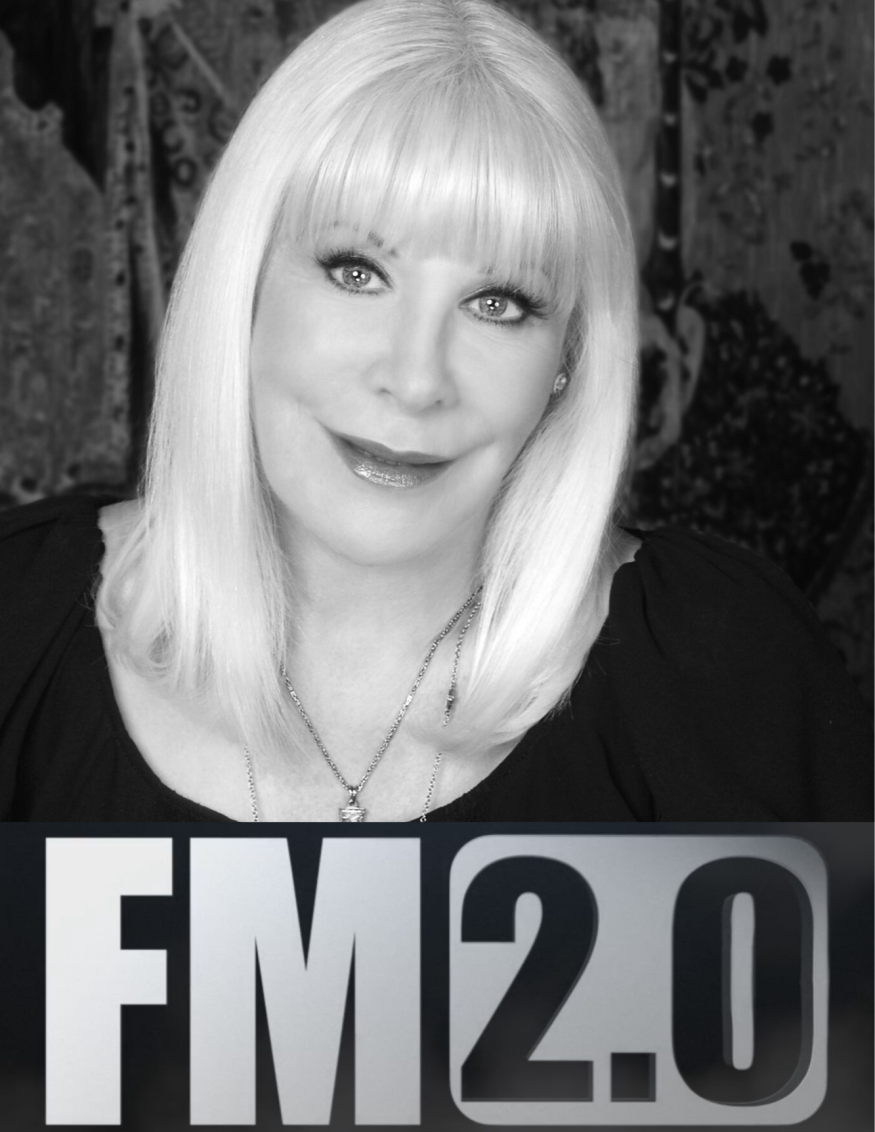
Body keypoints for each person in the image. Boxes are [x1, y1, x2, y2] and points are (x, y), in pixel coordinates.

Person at [1, 0, 874, 821]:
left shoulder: (729, 667)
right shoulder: (18, 619)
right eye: (356, 272)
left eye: (497, 303)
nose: (416, 379)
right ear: (244, 287)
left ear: (568, 359)